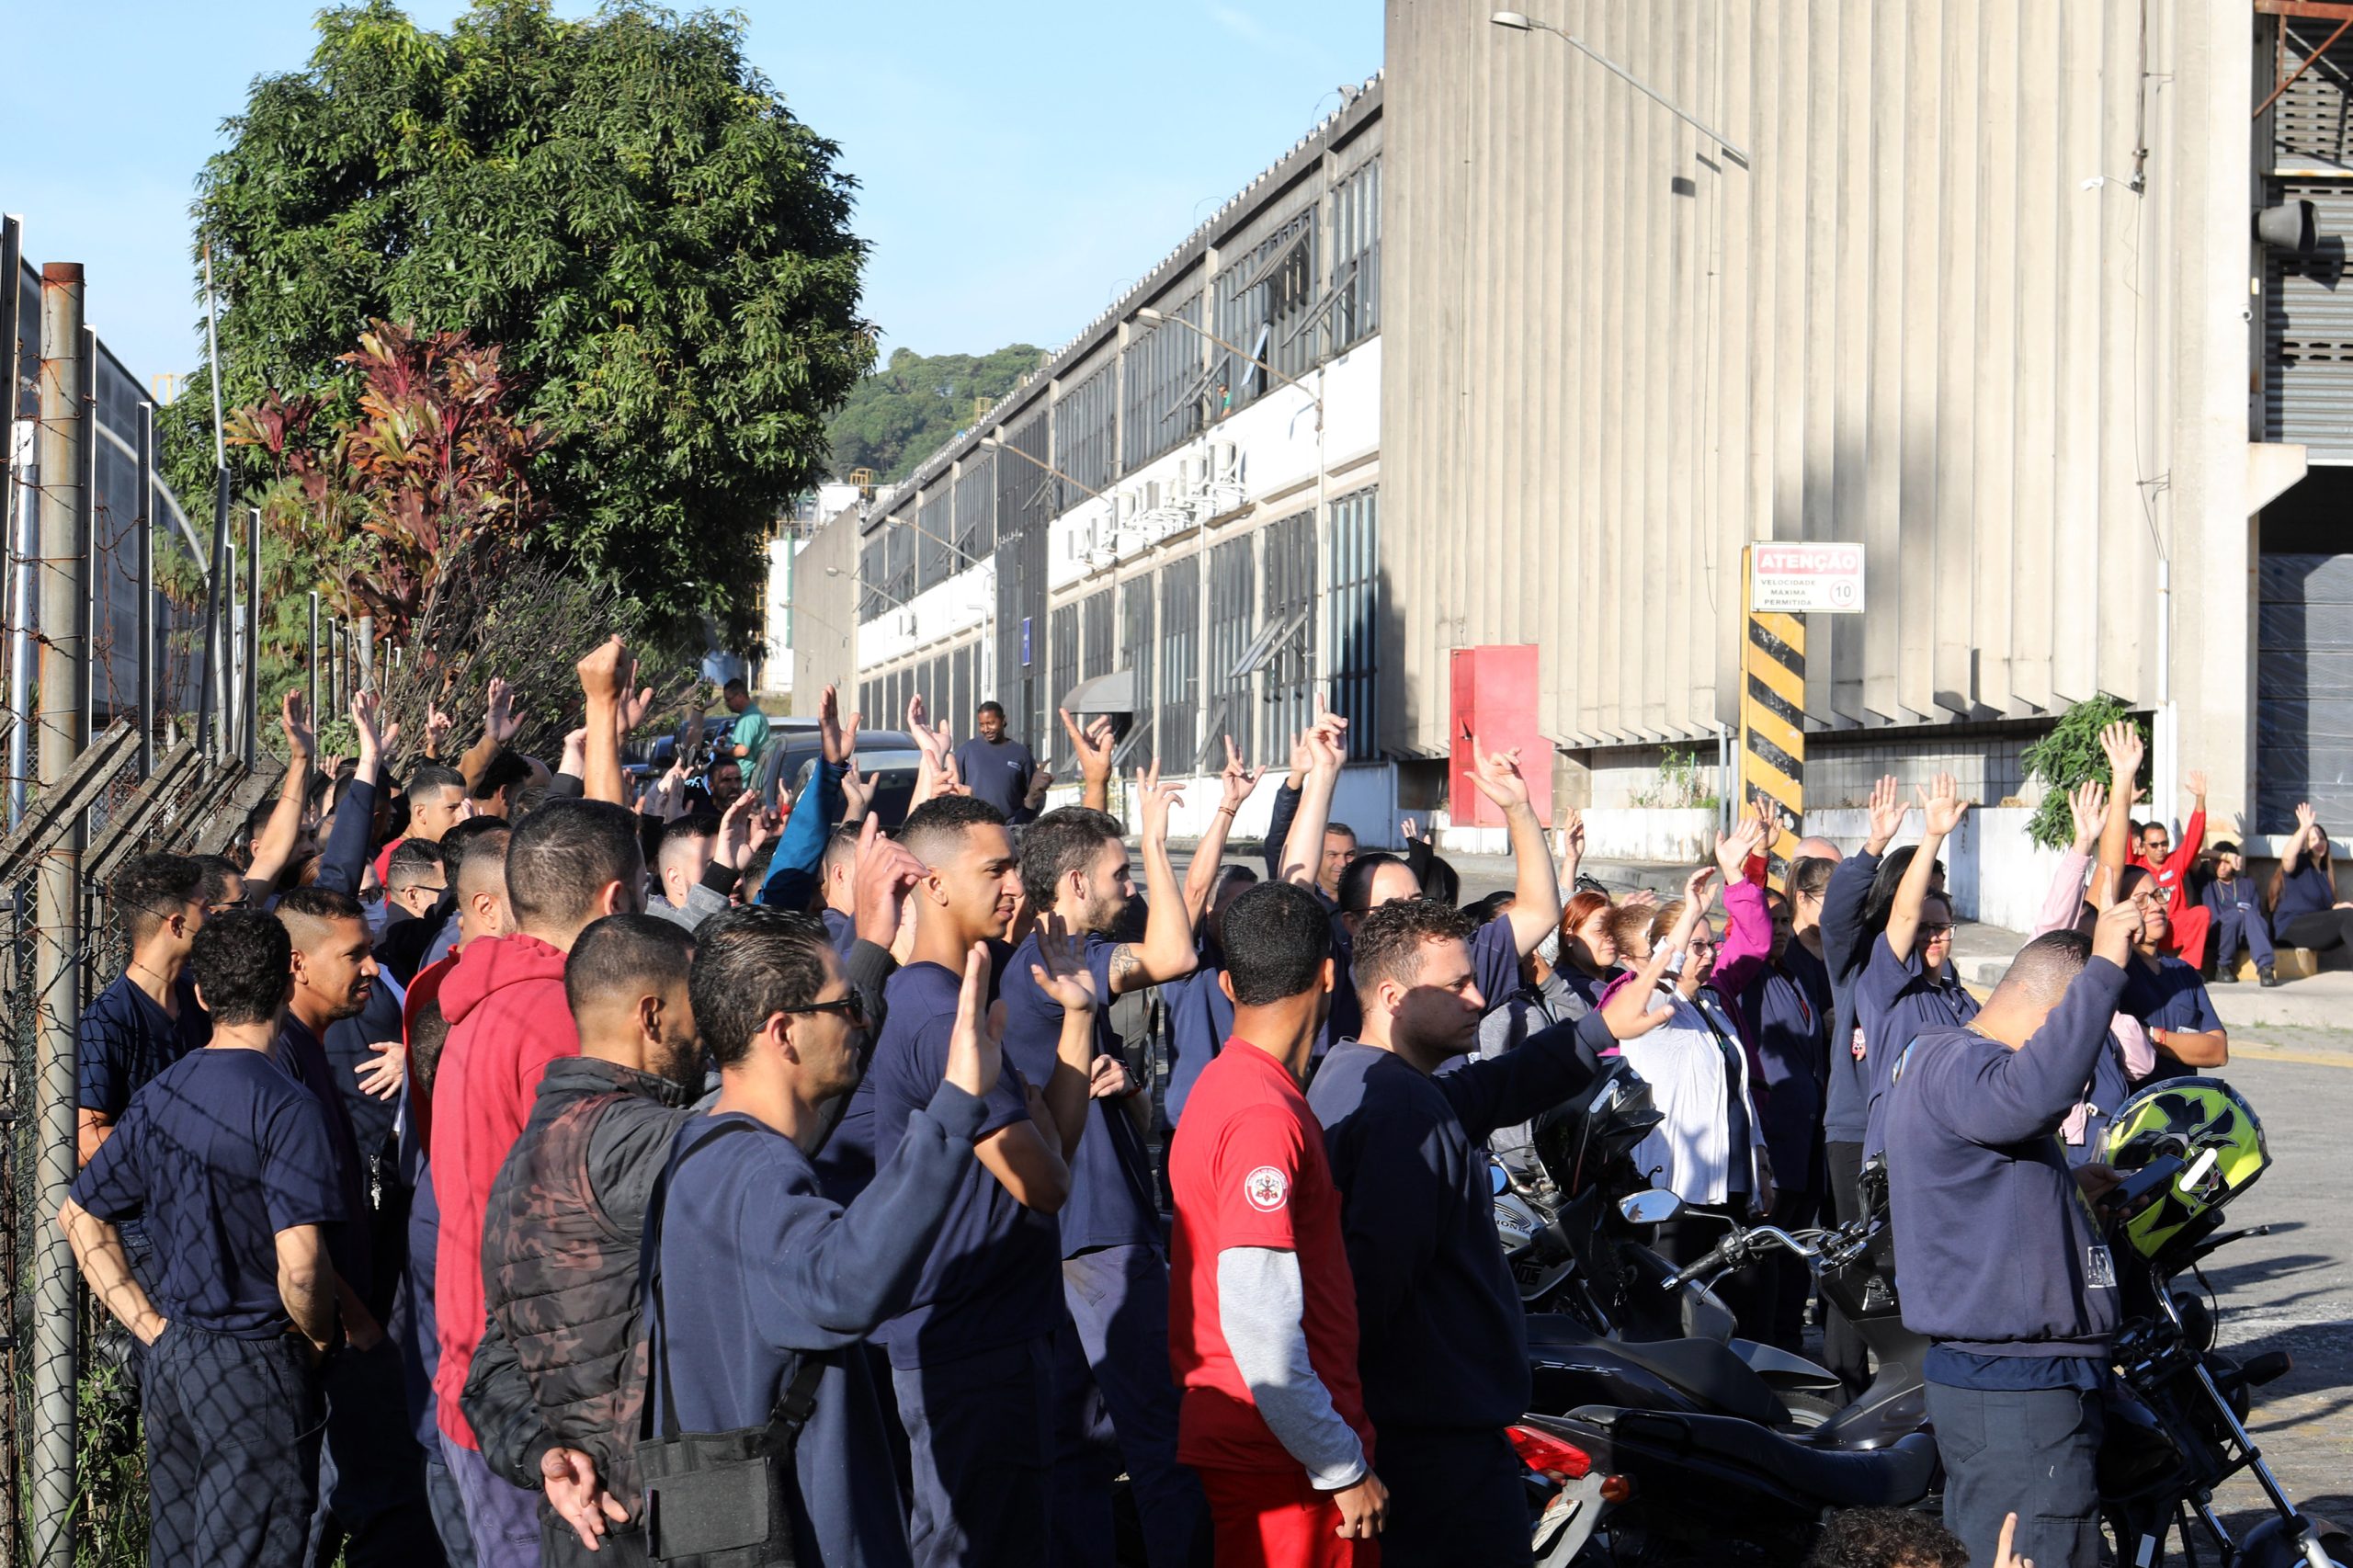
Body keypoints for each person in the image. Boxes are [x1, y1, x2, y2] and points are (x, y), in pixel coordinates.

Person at [640, 913, 1002, 1568]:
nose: (862, 1020)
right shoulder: (758, 1174)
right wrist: (956, 1103)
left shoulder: (694, 1149)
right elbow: (844, 1286)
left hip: (721, 1521)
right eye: (846, 1004)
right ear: (782, 1032)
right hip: (800, 1530)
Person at [1309, 897, 1618, 1566]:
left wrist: (1597, 1030)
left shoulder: (1360, 1076)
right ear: (1392, 995)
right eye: (1456, 986)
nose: (1478, 998)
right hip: (1432, 1448)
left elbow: (1485, 1092)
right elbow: (1372, 1289)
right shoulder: (1401, 1109)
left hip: (1408, 1432)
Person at [62, 911, 342, 1568]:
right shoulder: (286, 1104)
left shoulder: (165, 1092)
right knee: (252, 1545)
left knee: (181, 1545)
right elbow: (301, 1267)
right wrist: (321, 1334)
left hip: (177, 1354)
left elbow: (80, 1215)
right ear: (285, 984)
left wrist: (146, 1321)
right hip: (254, 1358)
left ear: (203, 994)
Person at [867, 794, 1097, 1568]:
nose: (1014, 887)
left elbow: (1052, 1147)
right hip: (971, 1343)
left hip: (996, 1330)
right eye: (994, 869)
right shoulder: (940, 1015)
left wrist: (1077, 1016)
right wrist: (1036, 1131)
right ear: (931, 885)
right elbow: (1048, 1184)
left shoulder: (963, 994)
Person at [1885, 905, 2141, 1568]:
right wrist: (2107, 966)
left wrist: (2067, 1188)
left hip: (2028, 1386)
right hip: (2014, 1394)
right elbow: (2034, 1097)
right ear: (2058, 1014)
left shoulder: (1961, 1073)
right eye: (2080, 1039)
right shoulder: (1957, 1060)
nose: (2082, 1074)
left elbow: (1982, 1185)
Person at [1001, 773, 1209, 1567]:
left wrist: (1127, 1096)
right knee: (1160, 1439)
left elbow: (1142, 1122)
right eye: (1121, 874)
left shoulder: (1053, 971)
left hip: (1077, 1235)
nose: (1130, 888)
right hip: (1097, 1244)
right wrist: (1158, 839)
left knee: (1075, 1449)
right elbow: (1177, 952)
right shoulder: (1067, 963)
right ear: (1076, 883)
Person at [434, 791, 645, 1566]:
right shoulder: (558, 1017)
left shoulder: (482, 999)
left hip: (485, 1371)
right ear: (617, 900)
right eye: (646, 894)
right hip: (540, 1402)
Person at [1167, 881, 1383, 1568]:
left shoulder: (1228, 1083)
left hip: (1271, 1444)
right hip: (1284, 1458)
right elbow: (1260, 1322)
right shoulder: (1263, 1116)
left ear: (1229, 984)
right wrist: (1339, 1464)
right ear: (1329, 974)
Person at [1280, 713, 1563, 1048]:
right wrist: (1324, 773)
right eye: (1391, 908)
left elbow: (1539, 911)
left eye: (1417, 902)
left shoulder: (1456, 962)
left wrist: (1518, 809)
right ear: (1353, 923)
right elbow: (1290, 897)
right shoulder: (1336, 975)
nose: (1411, 917)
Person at [1599, 820, 1777, 1306]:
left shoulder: (1712, 1000)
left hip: (1734, 1188)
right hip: (1680, 1193)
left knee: (1744, 1314)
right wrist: (1690, 912)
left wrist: (1739, 877)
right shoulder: (1644, 1001)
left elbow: (1755, 942)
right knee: (1680, 1318)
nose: (1710, 952)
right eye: (1697, 945)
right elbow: (1655, 976)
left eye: (1710, 943)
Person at [1858, 774, 1978, 1161]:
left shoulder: (1963, 1000)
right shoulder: (1887, 985)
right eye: (1922, 928)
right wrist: (1933, 837)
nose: (1931, 937)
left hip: (1953, 1155)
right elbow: (1905, 916)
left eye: (1940, 928)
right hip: (1897, 1160)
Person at [1738, 882, 1831, 1354]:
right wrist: (1752, 864)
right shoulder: (1748, 975)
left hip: (1806, 1137)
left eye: (1781, 921)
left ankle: (1790, 1344)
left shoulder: (1792, 973)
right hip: (1774, 1139)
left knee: (1797, 1253)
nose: (1774, 931)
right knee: (1768, 1253)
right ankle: (1764, 1349)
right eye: (1766, 921)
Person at [80, 853, 211, 1167]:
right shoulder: (108, 1019)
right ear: (177, 925)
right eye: (205, 909)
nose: (212, 919)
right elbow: (85, 1144)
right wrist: (188, 1134)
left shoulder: (199, 995)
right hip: (141, 1209)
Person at [2115, 865, 2230, 1084]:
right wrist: (2186, 1044)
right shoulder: (2115, 971)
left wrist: (2150, 1036)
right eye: (2141, 900)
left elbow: (2218, 1051)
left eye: (2159, 895)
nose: (2156, 906)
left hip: (2184, 1107)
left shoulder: (2184, 973)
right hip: (2134, 1109)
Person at [2131, 772, 2211, 968]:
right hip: (2146, 927)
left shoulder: (2175, 861)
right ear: (2143, 845)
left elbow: (2194, 837)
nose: (2160, 849)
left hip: (2172, 927)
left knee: (2201, 913)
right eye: (2154, 845)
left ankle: (2189, 967)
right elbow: (2120, 843)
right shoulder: (2136, 866)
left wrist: (2200, 799)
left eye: (2164, 843)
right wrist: (2127, 804)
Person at [2266, 801, 2353, 956]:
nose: (2318, 842)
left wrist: (2345, 905)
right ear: (2305, 845)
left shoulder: (2324, 873)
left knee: (2349, 914)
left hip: (2313, 925)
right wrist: (2304, 828)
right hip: (2289, 929)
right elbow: (2287, 857)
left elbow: (2329, 908)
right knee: (2348, 917)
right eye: (2313, 839)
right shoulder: (2300, 862)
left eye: (2321, 838)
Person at [2202, 839, 2278, 985]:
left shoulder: (2247, 884)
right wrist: (2225, 856)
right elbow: (2196, 853)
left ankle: (2265, 968)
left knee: (2250, 914)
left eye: (2227, 862)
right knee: (2236, 914)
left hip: (2245, 935)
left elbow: (2256, 917)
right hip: (2218, 935)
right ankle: (2223, 966)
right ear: (2212, 862)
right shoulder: (2206, 882)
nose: (2222, 866)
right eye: (2218, 861)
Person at [951, 700, 1038, 820]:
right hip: (976, 827)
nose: (986, 729)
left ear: (1003, 720)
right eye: (981, 724)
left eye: (991, 723)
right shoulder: (966, 751)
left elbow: (1034, 792)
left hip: (1012, 827)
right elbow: (954, 793)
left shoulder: (1021, 753)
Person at [721, 675, 770, 770]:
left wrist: (722, 751)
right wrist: (727, 741)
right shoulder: (752, 714)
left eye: (728, 700)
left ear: (740, 696)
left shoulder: (748, 718)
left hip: (743, 779)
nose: (727, 704)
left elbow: (742, 750)